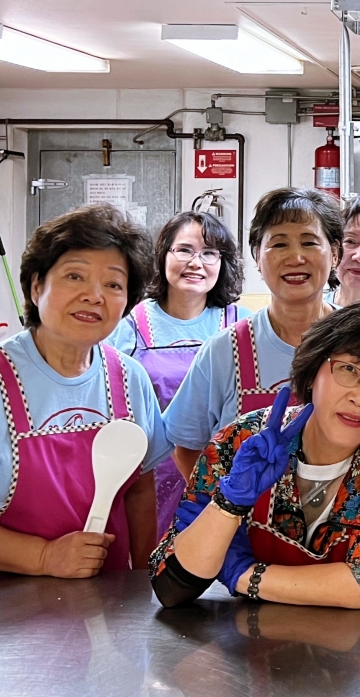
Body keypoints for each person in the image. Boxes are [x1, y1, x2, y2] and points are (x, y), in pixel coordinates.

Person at [0, 204, 172, 577]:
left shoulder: (131, 379)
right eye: (74, 276)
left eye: (113, 284)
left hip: (106, 599)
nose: (94, 295)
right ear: (37, 287)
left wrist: (145, 583)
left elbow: (139, 490)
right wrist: (42, 557)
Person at [150, 301, 360, 608]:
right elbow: (170, 587)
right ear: (312, 372)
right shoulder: (244, 440)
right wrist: (229, 503)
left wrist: (243, 575)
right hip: (242, 635)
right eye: (348, 369)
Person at [164, 187, 342, 471]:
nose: (295, 257)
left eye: (309, 242)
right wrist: (219, 497)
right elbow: (186, 444)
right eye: (279, 244)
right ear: (257, 256)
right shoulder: (225, 351)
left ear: (335, 253)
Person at [107, 211, 250, 536]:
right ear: (163, 255)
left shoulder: (242, 325)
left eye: (209, 253)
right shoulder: (128, 325)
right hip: (146, 478)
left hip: (225, 481)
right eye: (184, 250)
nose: (196, 263)